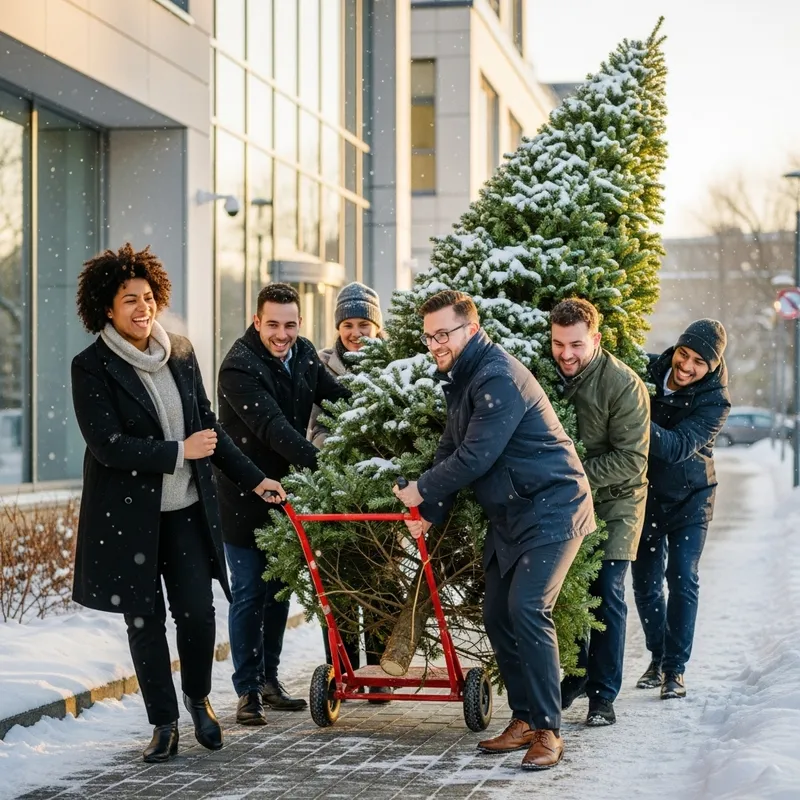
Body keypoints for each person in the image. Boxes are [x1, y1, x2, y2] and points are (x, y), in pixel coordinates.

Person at [71, 243, 285, 764]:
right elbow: (107, 445)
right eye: (128, 300)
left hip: (187, 512)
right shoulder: (91, 366)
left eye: (146, 298)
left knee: (197, 615)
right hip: (130, 521)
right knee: (144, 623)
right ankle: (163, 723)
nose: (141, 308)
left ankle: (199, 699)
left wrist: (256, 480)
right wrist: (175, 452)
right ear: (108, 307)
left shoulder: (182, 354)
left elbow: (208, 430)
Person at [393, 290, 596, 771]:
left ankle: (548, 729)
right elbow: (451, 447)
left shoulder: (498, 377)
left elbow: (476, 457)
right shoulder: (464, 377)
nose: (435, 344)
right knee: (497, 614)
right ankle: (524, 718)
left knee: (527, 607)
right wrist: (430, 510)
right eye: (429, 336)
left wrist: (420, 489)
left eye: (444, 333)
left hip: (553, 508)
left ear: (471, 329)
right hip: (513, 514)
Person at [217, 282, 351, 725]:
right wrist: (328, 468)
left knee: (277, 592)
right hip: (244, 495)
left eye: (290, 324)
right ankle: (248, 690)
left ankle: (270, 680)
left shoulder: (305, 353)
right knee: (250, 591)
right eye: (272, 324)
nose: (282, 334)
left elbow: (337, 399)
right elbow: (273, 428)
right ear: (257, 321)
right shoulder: (238, 367)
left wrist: (375, 419)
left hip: (285, 496)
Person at [549, 299, 650, 726]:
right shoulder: (545, 375)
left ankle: (603, 695)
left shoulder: (623, 385)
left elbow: (631, 460)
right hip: (566, 504)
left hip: (617, 502)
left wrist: (570, 475)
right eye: (558, 344)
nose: (566, 354)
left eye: (576, 344)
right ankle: (573, 678)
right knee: (566, 592)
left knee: (607, 592)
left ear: (596, 339)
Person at [631, 319, 731, 700]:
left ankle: (675, 670)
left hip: (692, 498)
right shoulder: (649, 369)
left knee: (682, 577)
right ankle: (658, 656)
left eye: (698, 362)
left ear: (713, 367)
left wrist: (632, 417)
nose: (686, 366)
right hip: (645, 495)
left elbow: (674, 447)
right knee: (645, 584)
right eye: (683, 354)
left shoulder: (715, 401)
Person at [308, 281, 392, 702]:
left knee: (379, 578)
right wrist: (341, 447)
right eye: (348, 324)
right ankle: (342, 671)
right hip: (336, 492)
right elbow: (316, 428)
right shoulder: (321, 367)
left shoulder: (394, 367)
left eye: (364, 324)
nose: (356, 333)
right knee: (338, 583)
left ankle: (377, 672)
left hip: (382, 494)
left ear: (377, 327)